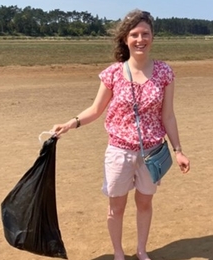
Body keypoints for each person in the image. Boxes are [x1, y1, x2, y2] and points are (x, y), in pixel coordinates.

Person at [51, 9, 190, 260]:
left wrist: (178, 150)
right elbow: (95, 110)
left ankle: (141, 250)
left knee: (145, 203)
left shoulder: (164, 72)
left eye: (145, 34)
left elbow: (168, 116)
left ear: (152, 37)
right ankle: (118, 253)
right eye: (134, 34)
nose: (140, 39)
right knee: (116, 206)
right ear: (126, 39)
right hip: (119, 152)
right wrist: (70, 123)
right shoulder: (113, 73)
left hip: (152, 153)